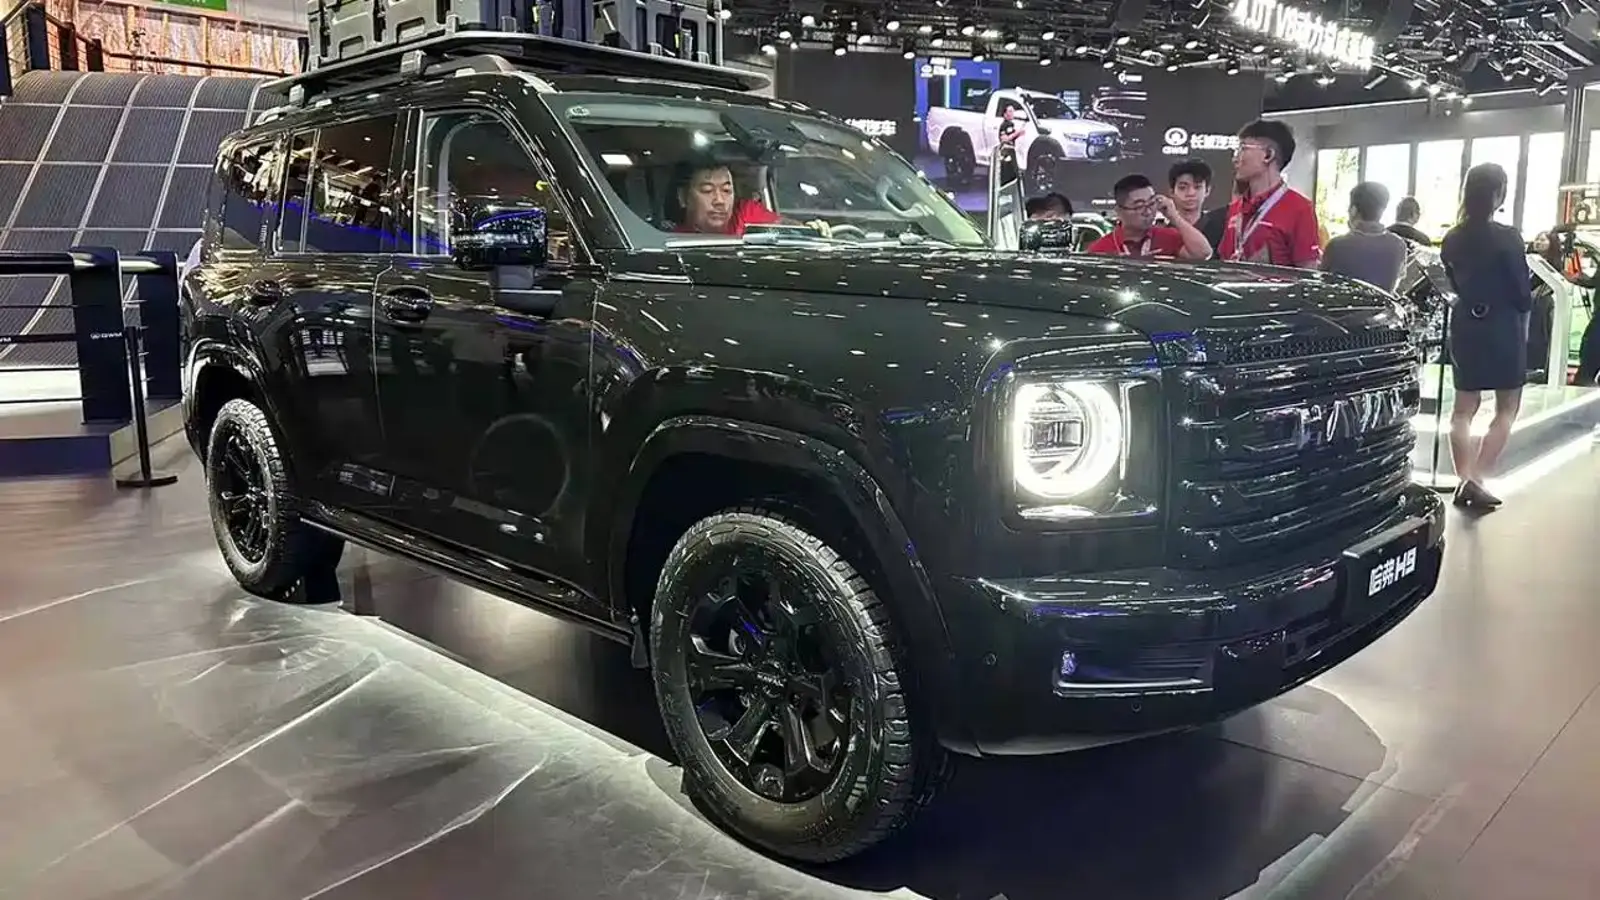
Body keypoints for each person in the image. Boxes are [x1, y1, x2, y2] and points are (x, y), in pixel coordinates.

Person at [1439, 162, 1531, 511]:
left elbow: (1451, 284)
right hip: (1503, 325)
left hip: (1465, 324)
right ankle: (1476, 479)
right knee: (1507, 407)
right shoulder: (1508, 237)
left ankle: (1464, 479)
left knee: (1463, 409)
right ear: (1499, 194)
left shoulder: (1452, 237)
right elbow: (1522, 293)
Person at [1217, 119, 1322, 268]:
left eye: (1243, 149)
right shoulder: (1236, 208)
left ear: (1268, 155)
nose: (1235, 158)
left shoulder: (1299, 208)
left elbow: (1307, 269)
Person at [1085, 174, 1212, 260]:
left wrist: (1174, 217)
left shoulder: (1167, 236)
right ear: (1119, 211)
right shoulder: (1100, 249)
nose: (1148, 211)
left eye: (1151, 203)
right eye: (1139, 206)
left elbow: (1203, 253)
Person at [1322, 182, 1408, 291]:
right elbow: (1398, 281)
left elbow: (1323, 283)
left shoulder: (1336, 246)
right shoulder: (1398, 245)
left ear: (1353, 210)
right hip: (1381, 302)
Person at [675, 161, 780, 236]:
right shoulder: (673, 241)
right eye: (707, 190)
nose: (720, 201)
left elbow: (783, 229)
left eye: (726, 190)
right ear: (683, 197)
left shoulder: (745, 213)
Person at [1167, 158, 1226, 251]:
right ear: (1172, 192)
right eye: (1183, 187)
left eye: (1197, 187)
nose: (1190, 193)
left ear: (1207, 191)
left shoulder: (1222, 231)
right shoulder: (1164, 233)